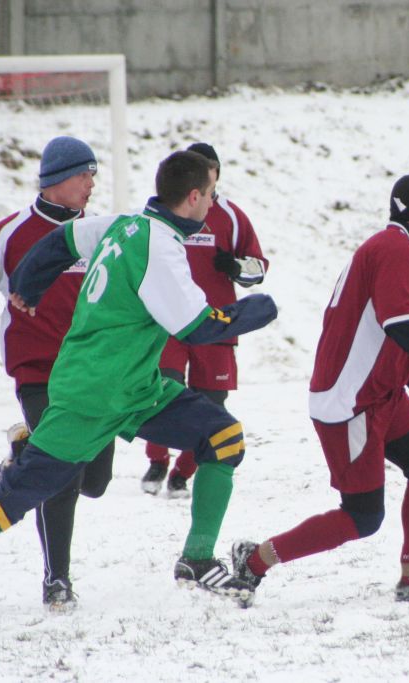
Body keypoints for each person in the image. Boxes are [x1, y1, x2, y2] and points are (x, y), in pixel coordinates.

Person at [0, 151, 277, 604]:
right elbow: (198, 328)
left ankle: (196, 559)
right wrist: (255, 310)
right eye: (212, 195)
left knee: (223, 437)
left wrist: (29, 282)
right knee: (18, 495)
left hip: (137, 389)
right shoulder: (159, 247)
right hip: (92, 394)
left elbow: (62, 239)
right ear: (195, 197)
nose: (214, 203)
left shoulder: (126, 224)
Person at [228, 174, 409, 606]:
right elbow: (404, 329)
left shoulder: (396, 249)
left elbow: (400, 341)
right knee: (363, 516)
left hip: (379, 393)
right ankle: (255, 561)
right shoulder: (396, 250)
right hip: (351, 404)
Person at [0, 136, 116, 609]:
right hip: (39, 370)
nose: (92, 183)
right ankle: (56, 579)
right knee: (62, 474)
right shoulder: (11, 234)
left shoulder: (103, 232)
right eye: (85, 174)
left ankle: (25, 453)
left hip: (95, 372)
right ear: (59, 178)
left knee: (96, 480)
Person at [141, 142, 269, 498]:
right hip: (168, 325)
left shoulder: (230, 215)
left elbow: (258, 266)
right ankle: (157, 459)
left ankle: (183, 471)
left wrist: (235, 267)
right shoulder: (161, 216)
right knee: (160, 393)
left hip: (216, 325)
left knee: (211, 404)